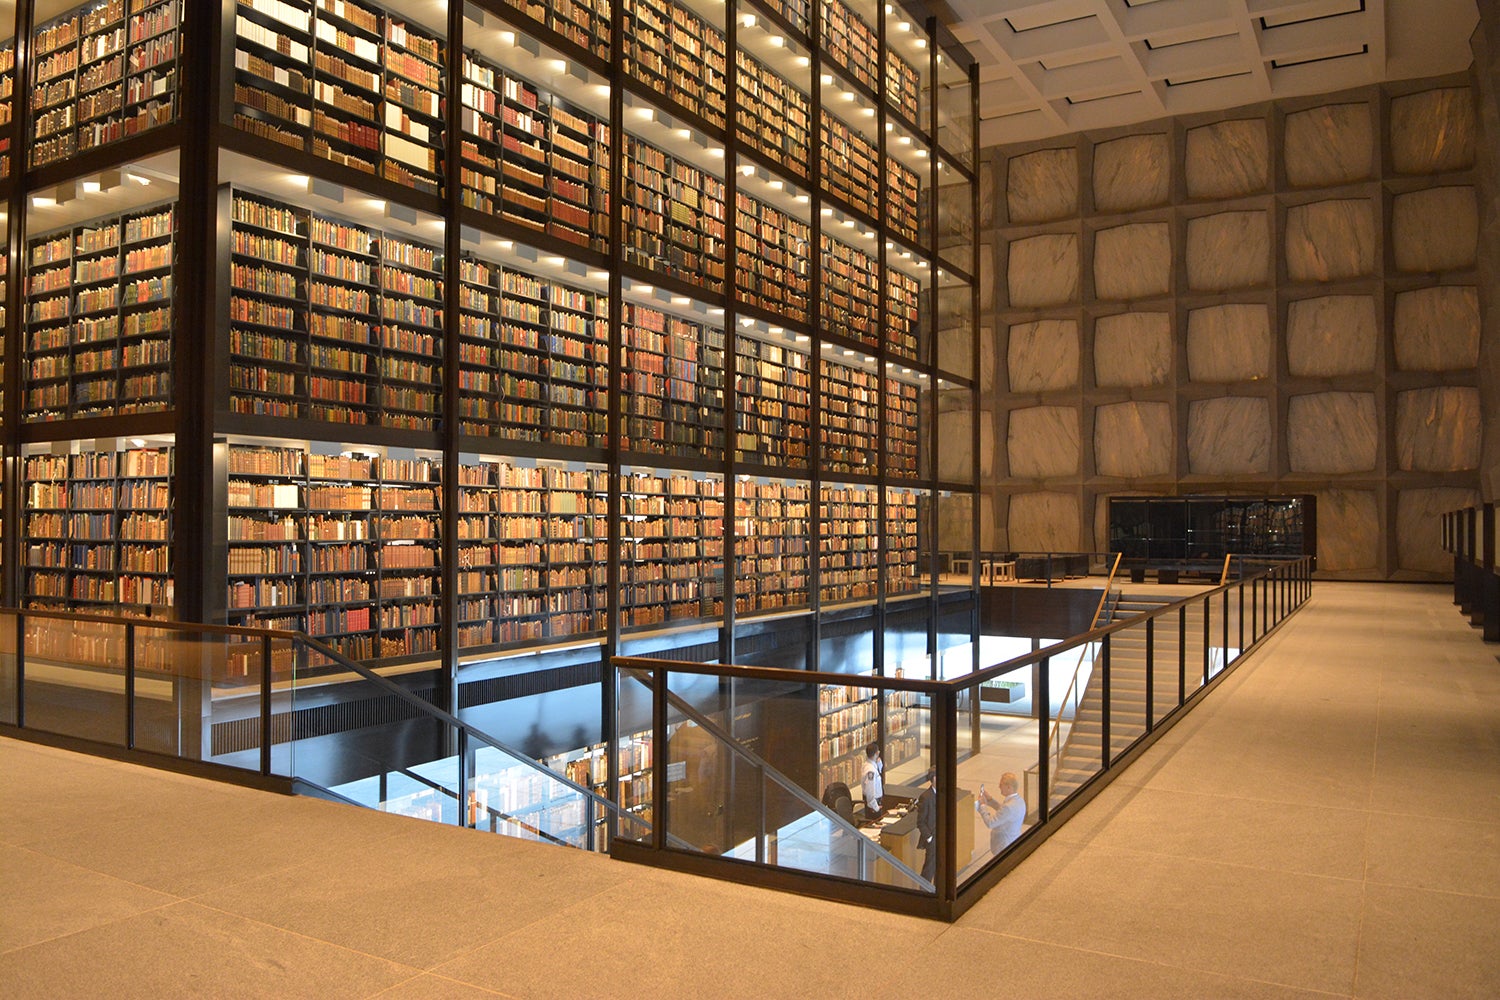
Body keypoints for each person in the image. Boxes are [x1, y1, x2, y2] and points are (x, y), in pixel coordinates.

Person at [976, 771, 1025, 854]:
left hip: (1003, 845)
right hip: (1012, 840)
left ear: (1009, 787)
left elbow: (990, 823)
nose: (999, 787)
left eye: (1001, 785)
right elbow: (1004, 813)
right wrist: (990, 800)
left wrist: (982, 806)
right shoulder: (1019, 801)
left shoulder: (1008, 807)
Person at [916, 767, 937, 883]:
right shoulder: (926, 797)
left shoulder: (943, 794)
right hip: (933, 839)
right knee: (929, 868)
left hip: (941, 837)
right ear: (934, 778)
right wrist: (929, 838)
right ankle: (924, 890)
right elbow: (920, 822)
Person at [860, 742, 883, 818]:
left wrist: (879, 763)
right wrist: (875, 807)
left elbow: (879, 772)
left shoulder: (868, 764)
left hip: (875, 802)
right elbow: (869, 790)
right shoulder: (871, 771)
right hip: (873, 804)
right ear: (877, 753)